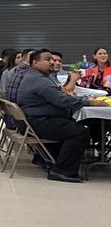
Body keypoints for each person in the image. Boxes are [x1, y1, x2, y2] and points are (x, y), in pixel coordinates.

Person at [16, 49, 88, 182]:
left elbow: (58, 96)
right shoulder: (40, 80)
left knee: (76, 123)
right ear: (35, 62)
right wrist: (88, 102)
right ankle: (62, 171)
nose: (52, 62)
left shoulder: (38, 76)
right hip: (37, 122)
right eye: (48, 59)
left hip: (33, 120)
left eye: (53, 59)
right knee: (79, 132)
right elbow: (62, 101)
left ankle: (49, 159)